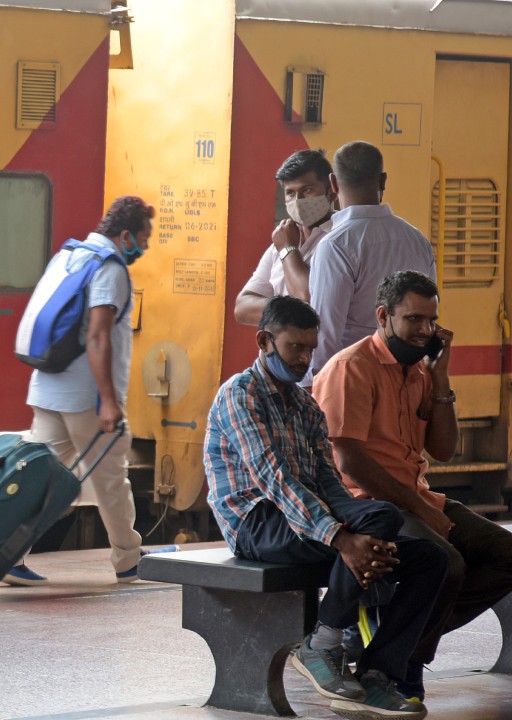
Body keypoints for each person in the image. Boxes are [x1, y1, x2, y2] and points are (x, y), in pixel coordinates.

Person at [206, 295, 445, 720]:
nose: (304, 359)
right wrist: (341, 537)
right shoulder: (239, 396)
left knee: (427, 557)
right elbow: (276, 480)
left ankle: (376, 674)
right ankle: (324, 643)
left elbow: (330, 485)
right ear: (264, 341)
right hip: (256, 522)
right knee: (377, 526)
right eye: (294, 347)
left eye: (310, 349)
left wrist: (354, 529)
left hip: (304, 518)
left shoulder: (305, 405)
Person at [313, 270, 512, 703]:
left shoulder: (419, 372)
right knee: (448, 564)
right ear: (384, 316)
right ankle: (397, 667)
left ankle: (392, 643)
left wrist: (440, 378)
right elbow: (351, 462)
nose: (426, 331)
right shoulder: (352, 368)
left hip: (416, 496)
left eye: (432, 321)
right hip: (368, 507)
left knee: (506, 555)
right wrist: (421, 512)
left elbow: (443, 449)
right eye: (414, 320)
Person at [12, 196, 175, 587]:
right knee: (112, 479)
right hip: (84, 398)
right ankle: (128, 559)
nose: (146, 246)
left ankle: (7, 555)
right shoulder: (110, 268)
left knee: (42, 481)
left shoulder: (69, 254)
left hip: (48, 387)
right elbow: (100, 335)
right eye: (143, 237)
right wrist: (107, 400)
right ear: (125, 235)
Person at [306, 141, 435, 382]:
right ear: (383, 180)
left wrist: (314, 392)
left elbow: (325, 337)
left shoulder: (335, 246)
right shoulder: (417, 240)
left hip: (355, 380)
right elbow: (429, 315)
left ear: (333, 184)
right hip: (409, 379)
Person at [233, 149, 336, 327]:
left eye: (308, 190)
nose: (298, 200)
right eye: (290, 193)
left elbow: (310, 305)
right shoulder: (283, 239)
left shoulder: (339, 240)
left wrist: (289, 250)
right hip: (272, 354)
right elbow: (242, 308)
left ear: (331, 192)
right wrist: (290, 309)